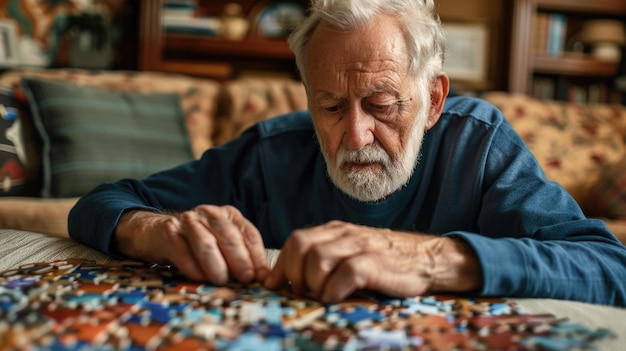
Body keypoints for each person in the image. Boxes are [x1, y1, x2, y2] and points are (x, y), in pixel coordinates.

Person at [69, 0, 626, 306]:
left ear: (432, 101)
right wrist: (152, 231)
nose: (355, 136)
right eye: (331, 108)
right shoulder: (273, 153)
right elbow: (101, 202)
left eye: (382, 104)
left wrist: (430, 259)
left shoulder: (479, 144)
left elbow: (610, 266)